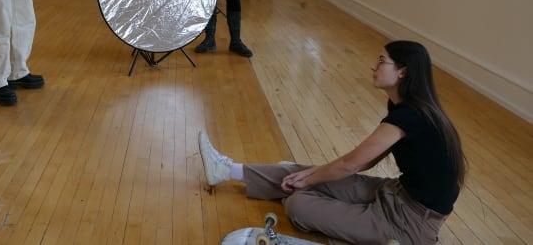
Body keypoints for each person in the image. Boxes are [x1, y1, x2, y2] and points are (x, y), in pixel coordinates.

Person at [198, 40, 467, 245]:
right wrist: (310, 174)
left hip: (408, 224)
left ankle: (299, 194)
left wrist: (309, 180)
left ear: (402, 72)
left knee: (297, 203)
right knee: (301, 171)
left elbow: (351, 164)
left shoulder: (411, 115)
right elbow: (365, 160)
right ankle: (226, 171)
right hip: (393, 193)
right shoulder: (409, 108)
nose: (374, 66)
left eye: (382, 61)